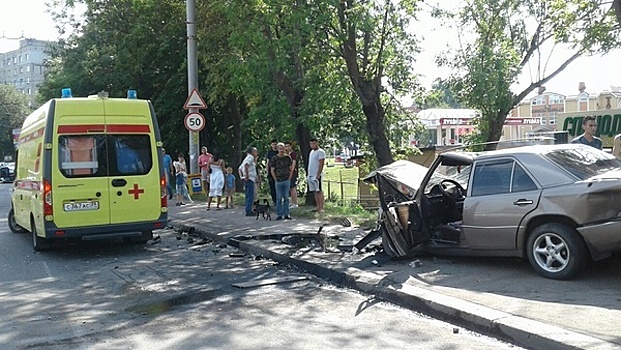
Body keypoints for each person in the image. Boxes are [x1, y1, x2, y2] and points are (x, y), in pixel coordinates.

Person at [270, 142, 294, 220]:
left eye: (283, 148)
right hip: (278, 180)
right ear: (277, 149)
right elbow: (272, 170)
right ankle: (279, 214)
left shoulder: (288, 157)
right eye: (280, 149)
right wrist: (275, 179)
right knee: (279, 198)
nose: (282, 150)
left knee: (286, 198)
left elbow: (291, 169)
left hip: (286, 179)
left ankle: (287, 213)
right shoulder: (274, 158)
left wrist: (289, 178)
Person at [239, 146, 259, 216]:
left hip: (248, 178)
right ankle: (249, 211)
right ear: (252, 152)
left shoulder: (247, 158)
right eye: (255, 151)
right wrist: (247, 175)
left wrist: (242, 176)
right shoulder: (250, 157)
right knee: (250, 195)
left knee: (248, 194)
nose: (256, 153)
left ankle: (248, 209)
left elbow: (240, 168)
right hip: (250, 179)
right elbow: (246, 165)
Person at [307, 138, 325, 213]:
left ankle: (321, 207)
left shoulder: (320, 152)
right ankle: (317, 206)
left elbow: (321, 163)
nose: (312, 145)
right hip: (311, 174)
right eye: (311, 144)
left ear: (317, 143)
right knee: (314, 191)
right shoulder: (311, 152)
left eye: (314, 143)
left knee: (319, 191)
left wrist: (318, 174)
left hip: (317, 175)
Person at [284, 141, 299, 209]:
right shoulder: (286, 154)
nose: (287, 147)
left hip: (292, 172)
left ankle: (295, 203)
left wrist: (291, 171)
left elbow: (293, 163)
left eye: (288, 146)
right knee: (290, 187)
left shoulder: (293, 154)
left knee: (293, 187)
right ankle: (292, 202)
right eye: (286, 146)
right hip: (287, 172)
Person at [266, 139, 278, 205]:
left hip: (278, 172)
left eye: (275, 144)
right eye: (273, 144)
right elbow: (267, 162)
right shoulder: (270, 152)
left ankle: (278, 199)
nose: (274, 146)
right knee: (272, 187)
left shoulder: (279, 152)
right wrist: (267, 171)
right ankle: (274, 200)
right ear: (271, 145)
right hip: (271, 172)